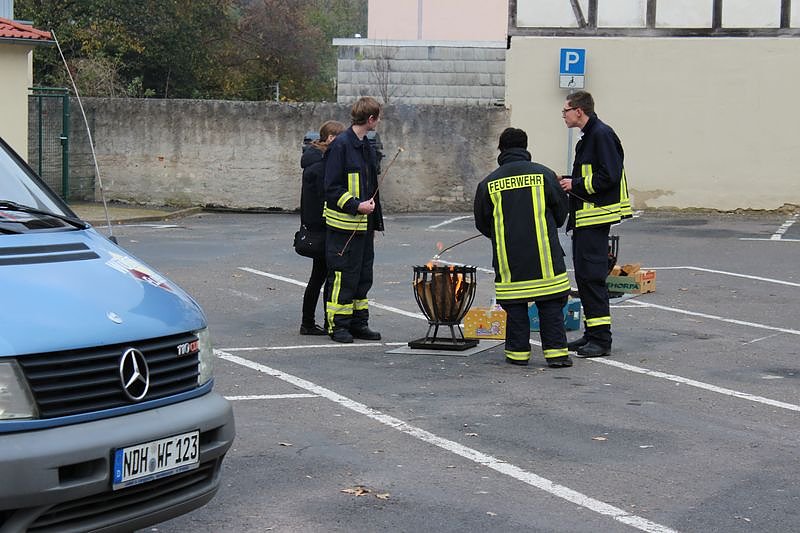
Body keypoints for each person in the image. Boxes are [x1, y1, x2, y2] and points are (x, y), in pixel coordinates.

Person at [474, 127, 573, 368]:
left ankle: (517, 354)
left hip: (510, 261)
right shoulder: (545, 174)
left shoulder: (489, 183)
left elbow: (482, 222)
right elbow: (561, 211)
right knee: (550, 305)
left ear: (501, 148)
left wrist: (500, 238)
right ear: (526, 147)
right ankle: (557, 355)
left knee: (515, 308)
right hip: (546, 258)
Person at [559, 91, 632, 357]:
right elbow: (592, 175)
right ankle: (591, 334)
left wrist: (574, 184)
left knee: (592, 278)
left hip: (595, 217)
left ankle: (601, 340)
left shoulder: (600, 134)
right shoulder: (589, 136)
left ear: (579, 111)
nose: (563, 116)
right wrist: (568, 179)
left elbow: (609, 176)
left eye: (565, 111)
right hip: (586, 219)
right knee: (585, 279)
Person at [323, 97, 384, 343]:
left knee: (362, 277)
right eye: (377, 117)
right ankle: (337, 326)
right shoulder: (341, 146)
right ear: (370, 119)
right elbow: (331, 187)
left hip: (363, 227)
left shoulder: (364, 145)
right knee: (342, 277)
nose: (378, 122)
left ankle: (359, 323)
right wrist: (356, 205)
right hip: (343, 227)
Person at [299, 120, 346, 335]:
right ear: (329, 138)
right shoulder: (321, 166)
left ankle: (310, 323)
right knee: (325, 277)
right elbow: (324, 199)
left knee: (319, 277)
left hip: (317, 227)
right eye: (338, 137)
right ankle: (319, 323)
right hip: (323, 228)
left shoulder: (314, 161)